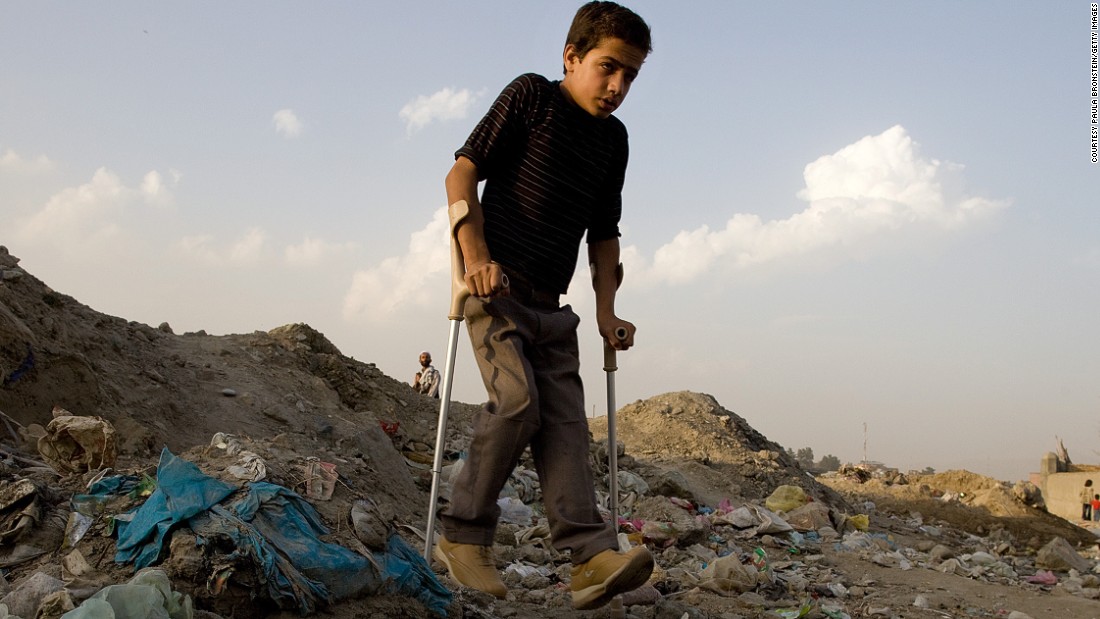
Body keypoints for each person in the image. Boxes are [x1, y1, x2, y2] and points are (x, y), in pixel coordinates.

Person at [432, 1, 653, 610]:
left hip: (554, 309)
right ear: (571, 56)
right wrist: (475, 258)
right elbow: (460, 177)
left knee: (565, 428)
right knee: (517, 401)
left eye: (631, 75)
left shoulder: (614, 140)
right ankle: (462, 535)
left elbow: (604, 236)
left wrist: (607, 312)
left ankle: (590, 559)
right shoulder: (531, 97)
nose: (618, 86)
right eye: (608, 67)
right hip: (496, 293)